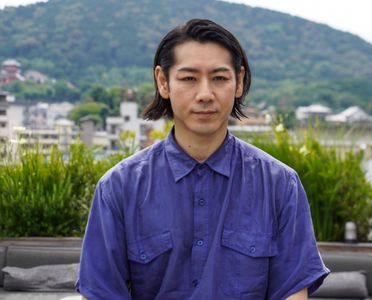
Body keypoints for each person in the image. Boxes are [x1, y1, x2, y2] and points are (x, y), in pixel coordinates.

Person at [77, 18, 329, 300]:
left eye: (220, 78)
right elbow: (100, 293)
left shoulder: (281, 185)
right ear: (163, 82)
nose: (205, 94)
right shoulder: (118, 187)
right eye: (189, 79)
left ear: (239, 82)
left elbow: (293, 293)